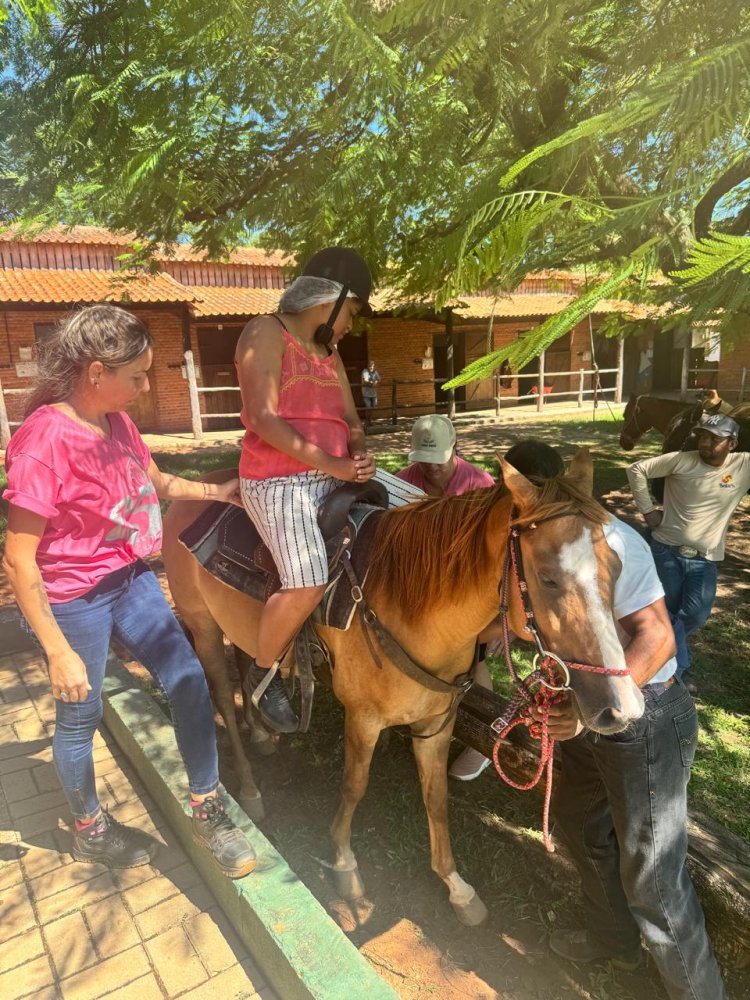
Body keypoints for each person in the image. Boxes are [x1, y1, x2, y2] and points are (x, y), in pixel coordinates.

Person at [2, 304, 255, 878]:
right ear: (96, 372)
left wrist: (219, 492)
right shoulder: (45, 441)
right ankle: (90, 829)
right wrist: (58, 650)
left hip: (129, 577)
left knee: (188, 679)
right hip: (74, 596)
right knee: (79, 715)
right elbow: (18, 560)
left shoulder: (117, 423)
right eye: (136, 376)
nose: (144, 388)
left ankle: (207, 807)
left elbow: (157, 482)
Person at [506, 442, 727, 1000]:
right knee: (581, 828)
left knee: (654, 876)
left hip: (647, 711)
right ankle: (614, 940)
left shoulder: (614, 540)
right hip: (592, 707)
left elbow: (657, 634)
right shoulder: (531, 546)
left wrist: (583, 711)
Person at [235, 247, 416, 736]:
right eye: (352, 314)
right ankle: (262, 671)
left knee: (425, 515)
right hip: (277, 481)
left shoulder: (329, 354)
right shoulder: (265, 332)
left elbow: (352, 420)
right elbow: (261, 418)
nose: (349, 327)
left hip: (336, 472)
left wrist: (358, 451)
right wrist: (336, 463)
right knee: (308, 578)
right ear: (329, 301)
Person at [448, 439, 563, 781]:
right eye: (517, 487)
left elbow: (542, 600)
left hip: (513, 612)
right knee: (460, 644)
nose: (523, 496)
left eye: (532, 489)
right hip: (481, 600)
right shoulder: (490, 510)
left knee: (470, 647)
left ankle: (482, 740)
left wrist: (507, 627)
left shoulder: (548, 531)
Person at [627, 412, 750, 684]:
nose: (705, 443)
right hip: (665, 551)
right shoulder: (682, 460)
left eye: (714, 439)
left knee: (696, 613)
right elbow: (637, 469)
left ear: (732, 444)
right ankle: (677, 667)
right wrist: (648, 512)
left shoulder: (743, 466)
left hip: (705, 559)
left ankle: (667, 654)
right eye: (703, 435)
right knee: (667, 611)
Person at [395, 413, 495, 498]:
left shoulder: (480, 484)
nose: (432, 466)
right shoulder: (400, 484)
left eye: (439, 459)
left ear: (454, 448)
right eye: (424, 459)